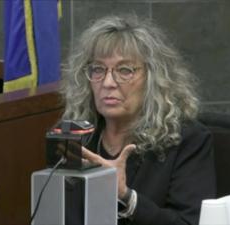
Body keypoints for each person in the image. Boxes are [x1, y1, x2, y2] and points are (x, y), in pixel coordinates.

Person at [60, 14, 216, 225]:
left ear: (153, 79)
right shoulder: (78, 135)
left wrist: (126, 197)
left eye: (125, 70)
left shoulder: (187, 139)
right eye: (98, 69)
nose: (108, 82)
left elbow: (189, 223)